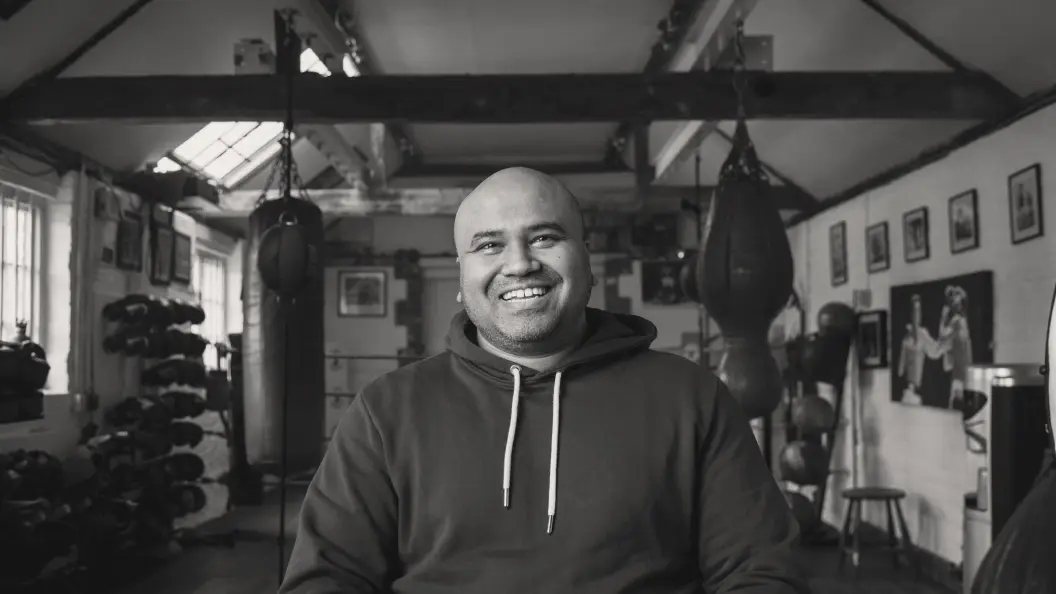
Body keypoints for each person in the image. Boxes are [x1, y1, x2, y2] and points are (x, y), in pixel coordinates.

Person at [279, 167, 808, 594]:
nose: (519, 263)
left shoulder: (692, 398)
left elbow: (760, 571)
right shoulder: (385, 411)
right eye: (489, 245)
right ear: (462, 280)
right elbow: (327, 577)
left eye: (545, 237)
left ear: (587, 260)